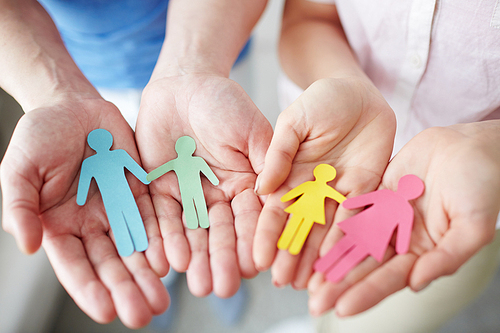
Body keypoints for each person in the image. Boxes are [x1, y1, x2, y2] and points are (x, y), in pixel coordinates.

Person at [0, 0, 272, 328]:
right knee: (149, 228)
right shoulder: (110, 155)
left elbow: (186, 173)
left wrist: (195, 64)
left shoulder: (115, 156)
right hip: (84, 74)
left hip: (214, 47)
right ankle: (165, 280)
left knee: (200, 220)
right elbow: (114, 177)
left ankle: (216, 281)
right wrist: (53, 95)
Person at [254, 0, 500, 332]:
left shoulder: (388, 201)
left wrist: (490, 146)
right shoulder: (385, 202)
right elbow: (308, 17)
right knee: (323, 267)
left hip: (455, 199)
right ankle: (317, 324)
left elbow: (360, 205)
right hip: (335, 146)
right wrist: (342, 80)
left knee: (362, 304)